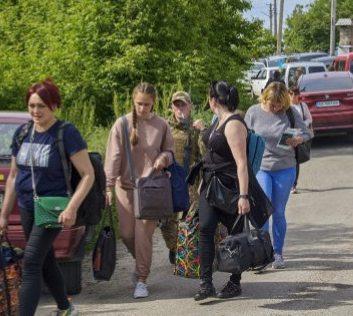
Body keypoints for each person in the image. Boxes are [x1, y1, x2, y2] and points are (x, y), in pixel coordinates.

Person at [0, 78, 95, 316]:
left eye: (41, 106)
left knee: (30, 262)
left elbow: (88, 175)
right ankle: (65, 307)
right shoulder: (22, 133)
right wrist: (4, 215)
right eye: (31, 106)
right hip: (27, 206)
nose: (35, 111)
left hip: (54, 208)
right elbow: (13, 176)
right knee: (45, 258)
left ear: (54, 105)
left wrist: (72, 207)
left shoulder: (66, 133)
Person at [104, 82, 175, 299]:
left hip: (151, 187)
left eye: (147, 104)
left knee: (143, 234)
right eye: (139, 104)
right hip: (125, 188)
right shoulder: (122, 124)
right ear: (133, 101)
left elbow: (170, 152)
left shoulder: (161, 125)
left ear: (153, 103)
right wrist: (108, 186)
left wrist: (164, 158)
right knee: (126, 234)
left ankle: (142, 279)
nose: (142, 108)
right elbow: (113, 157)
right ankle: (141, 264)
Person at [194, 81, 250, 301]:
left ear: (212, 100)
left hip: (230, 188)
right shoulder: (218, 120)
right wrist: (203, 179)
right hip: (211, 185)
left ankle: (235, 282)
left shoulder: (234, 124)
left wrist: (244, 196)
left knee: (235, 235)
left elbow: (242, 163)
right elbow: (211, 152)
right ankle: (205, 283)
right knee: (205, 229)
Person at [244, 82, 310, 269]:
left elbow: (306, 132)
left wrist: (299, 139)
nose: (276, 108)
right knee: (263, 212)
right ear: (265, 98)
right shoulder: (253, 112)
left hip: (285, 167)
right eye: (273, 104)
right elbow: (244, 135)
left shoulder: (290, 112)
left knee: (279, 212)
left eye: (280, 105)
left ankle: (278, 253)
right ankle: (263, 254)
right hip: (261, 167)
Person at [161, 91, 205, 264]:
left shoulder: (196, 129)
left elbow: (206, 154)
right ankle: (175, 248)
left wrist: (203, 131)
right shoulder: (165, 129)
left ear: (190, 106)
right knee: (166, 220)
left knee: (189, 219)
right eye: (176, 105)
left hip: (191, 182)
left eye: (183, 105)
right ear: (172, 107)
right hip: (169, 181)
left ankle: (186, 250)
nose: (180, 109)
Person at [288, 86, 313, 194]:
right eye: (291, 94)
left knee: (296, 161)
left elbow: (309, 118)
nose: (294, 96)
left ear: (299, 95)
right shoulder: (286, 107)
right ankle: (288, 183)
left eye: (296, 94)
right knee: (288, 160)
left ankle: (294, 184)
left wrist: (304, 124)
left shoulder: (303, 106)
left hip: (299, 136)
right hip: (289, 134)